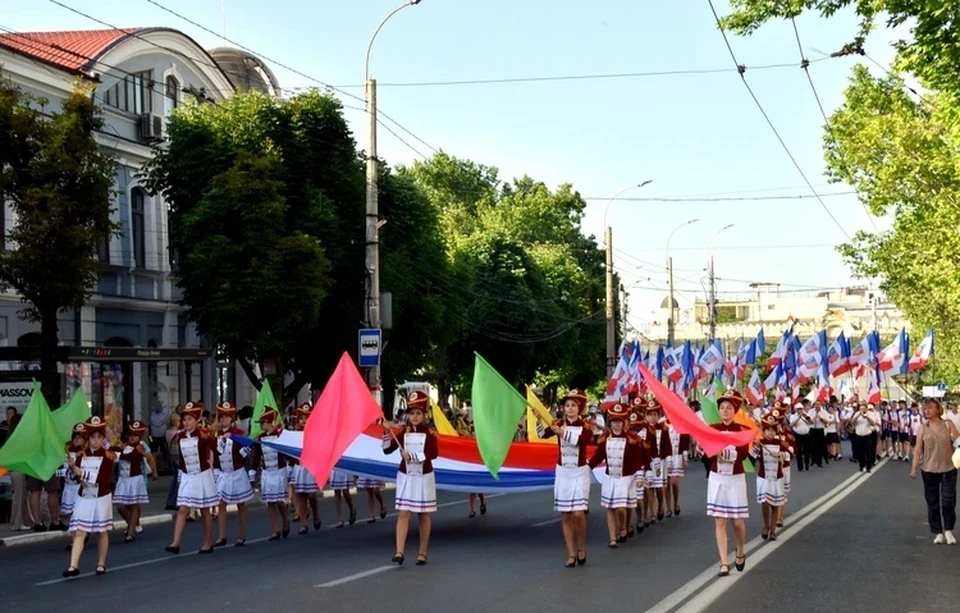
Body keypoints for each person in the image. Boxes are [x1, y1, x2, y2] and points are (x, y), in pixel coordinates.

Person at [383, 390, 439, 565]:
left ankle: (422, 552)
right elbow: (387, 449)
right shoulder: (402, 432)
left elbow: (432, 454)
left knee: (423, 515)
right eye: (412, 413)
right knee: (403, 512)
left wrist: (413, 457)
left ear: (424, 414)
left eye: (418, 413)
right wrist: (386, 431)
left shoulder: (430, 433)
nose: (414, 417)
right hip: (406, 476)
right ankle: (399, 552)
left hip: (424, 477)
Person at [543, 388, 592, 568]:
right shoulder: (557, 423)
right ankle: (571, 554)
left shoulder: (587, 425)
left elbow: (583, 440)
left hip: (579, 471)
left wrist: (561, 432)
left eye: (573, 405)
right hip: (563, 472)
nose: (570, 408)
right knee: (566, 514)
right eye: (567, 405)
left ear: (579, 409)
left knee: (579, 513)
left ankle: (581, 547)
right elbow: (543, 434)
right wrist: (539, 419)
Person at [63, 416, 117, 577]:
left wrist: (82, 472)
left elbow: (103, 478)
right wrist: (72, 469)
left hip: (101, 497)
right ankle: (73, 566)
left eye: (99, 437)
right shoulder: (81, 455)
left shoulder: (109, 456)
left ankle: (101, 564)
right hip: (84, 497)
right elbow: (75, 478)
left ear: (103, 438)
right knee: (80, 531)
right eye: (92, 437)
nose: (95, 441)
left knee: (102, 532)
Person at [707, 389, 751, 578]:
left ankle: (740, 550)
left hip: (735, 477)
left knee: (737, 522)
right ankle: (724, 562)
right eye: (722, 407)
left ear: (735, 411)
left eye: (729, 408)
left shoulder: (742, 431)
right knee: (719, 519)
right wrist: (709, 449)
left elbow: (743, 455)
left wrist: (723, 452)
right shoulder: (713, 428)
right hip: (717, 477)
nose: (725, 411)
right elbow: (706, 451)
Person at [165, 401, 217, 554]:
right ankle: (175, 543)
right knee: (182, 508)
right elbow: (181, 458)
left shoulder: (203, 434)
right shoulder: (180, 436)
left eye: (189, 419)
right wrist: (181, 474)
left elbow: (214, 448)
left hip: (202, 475)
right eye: (184, 419)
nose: (186, 422)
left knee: (205, 510)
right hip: (187, 475)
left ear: (196, 420)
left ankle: (208, 543)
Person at [588, 403, 640, 547]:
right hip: (610, 477)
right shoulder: (605, 438)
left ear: (624, 423)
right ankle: (612, 538)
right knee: (610, 507)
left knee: (621, 507)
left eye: (620, 421)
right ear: (610, 422)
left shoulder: (632, 439)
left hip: (626, 477)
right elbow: (599, 455)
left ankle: (623, 526)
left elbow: (636, 458)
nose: (617, 425)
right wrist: (587, 467)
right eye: (614, 421)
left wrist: (640, 476)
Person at [910, 398, 960, 545]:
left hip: (948, 468)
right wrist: (914, 468)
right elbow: (918, 450)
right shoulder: (922, 428)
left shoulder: (948, 424)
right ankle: (937, 532)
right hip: (929, 469)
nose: (927, 411)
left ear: (938, 409)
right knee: (932, 502)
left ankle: (949, 530)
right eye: (925, 409)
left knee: (948, 501)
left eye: (930, 408)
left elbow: (958, 443)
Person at [213, 401, 254, 547]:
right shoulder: (216, 435)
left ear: (232, 418)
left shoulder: (238, 434)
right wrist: (216, 472)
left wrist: (244, 450)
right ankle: (222, 536)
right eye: (221, 416)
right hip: (224, 474)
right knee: (221, 503)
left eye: (226, 416)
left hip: (237, 473)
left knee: (240, 504)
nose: (223, 419)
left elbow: (247, 449)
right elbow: (216, 455)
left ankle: (241, 535)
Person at [252, 407, 291, 540]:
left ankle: (285, 520)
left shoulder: (281, 435)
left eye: (263, 422)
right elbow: (256, 455)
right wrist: (252, 470)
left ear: (269, 422)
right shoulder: (261, 438)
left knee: (279, 500)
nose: (262, 425)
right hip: (267, 472)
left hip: (279, 471)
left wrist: (291, 466)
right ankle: (275, 529)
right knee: (269, 501)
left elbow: (287, 452)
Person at [114, 421, 157, 543]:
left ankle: (131, 532)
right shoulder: (124, 446)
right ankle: (130, 524)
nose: (132, 437)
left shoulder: (140, 447)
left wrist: (154, 472)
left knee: (133, 505)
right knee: (120, 505)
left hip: (135, 479)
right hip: (123, 479)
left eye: (135, 435)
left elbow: (149, 458)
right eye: (131, 435)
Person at [753, 413, 790, 541]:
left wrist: (781, 455)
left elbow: (790, 453)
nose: (770, 432)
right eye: (768, 429)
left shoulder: (779, 442)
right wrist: (756, 447)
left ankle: (773, 531)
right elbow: (751, 457)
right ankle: (766, 526)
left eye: (773, 429)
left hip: (777, 477)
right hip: (764, 477)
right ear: (764, 430)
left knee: (775, 504)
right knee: (765, 502)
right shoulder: (760, 442)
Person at [290, 403, 321, 534]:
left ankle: (315, 514)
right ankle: (304, 523)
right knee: (301, 495)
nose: (304, 420)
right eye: (301, 418)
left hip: (310, 466)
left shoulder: (315, 432)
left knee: (311, 494)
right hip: (299, 466)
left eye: (306, 417)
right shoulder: (295, 434)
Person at [58, 423, 87, 521]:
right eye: (75, 437)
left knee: (80, 513)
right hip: (68, 487)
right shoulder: (66, 452)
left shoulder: (86, 453)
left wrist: (74, 468)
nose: (77, 440)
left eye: (80, 437)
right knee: (70, 514)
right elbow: (61, 469)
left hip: (79, 487)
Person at [664, 416, 690, 517]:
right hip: (665, 457)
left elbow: (685, 442)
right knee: (666, 483)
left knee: (674, 482)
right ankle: (669, 508)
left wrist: (685, 457)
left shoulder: (681, 424)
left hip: (677, 457)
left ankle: (676, 503)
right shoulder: (662, 424)